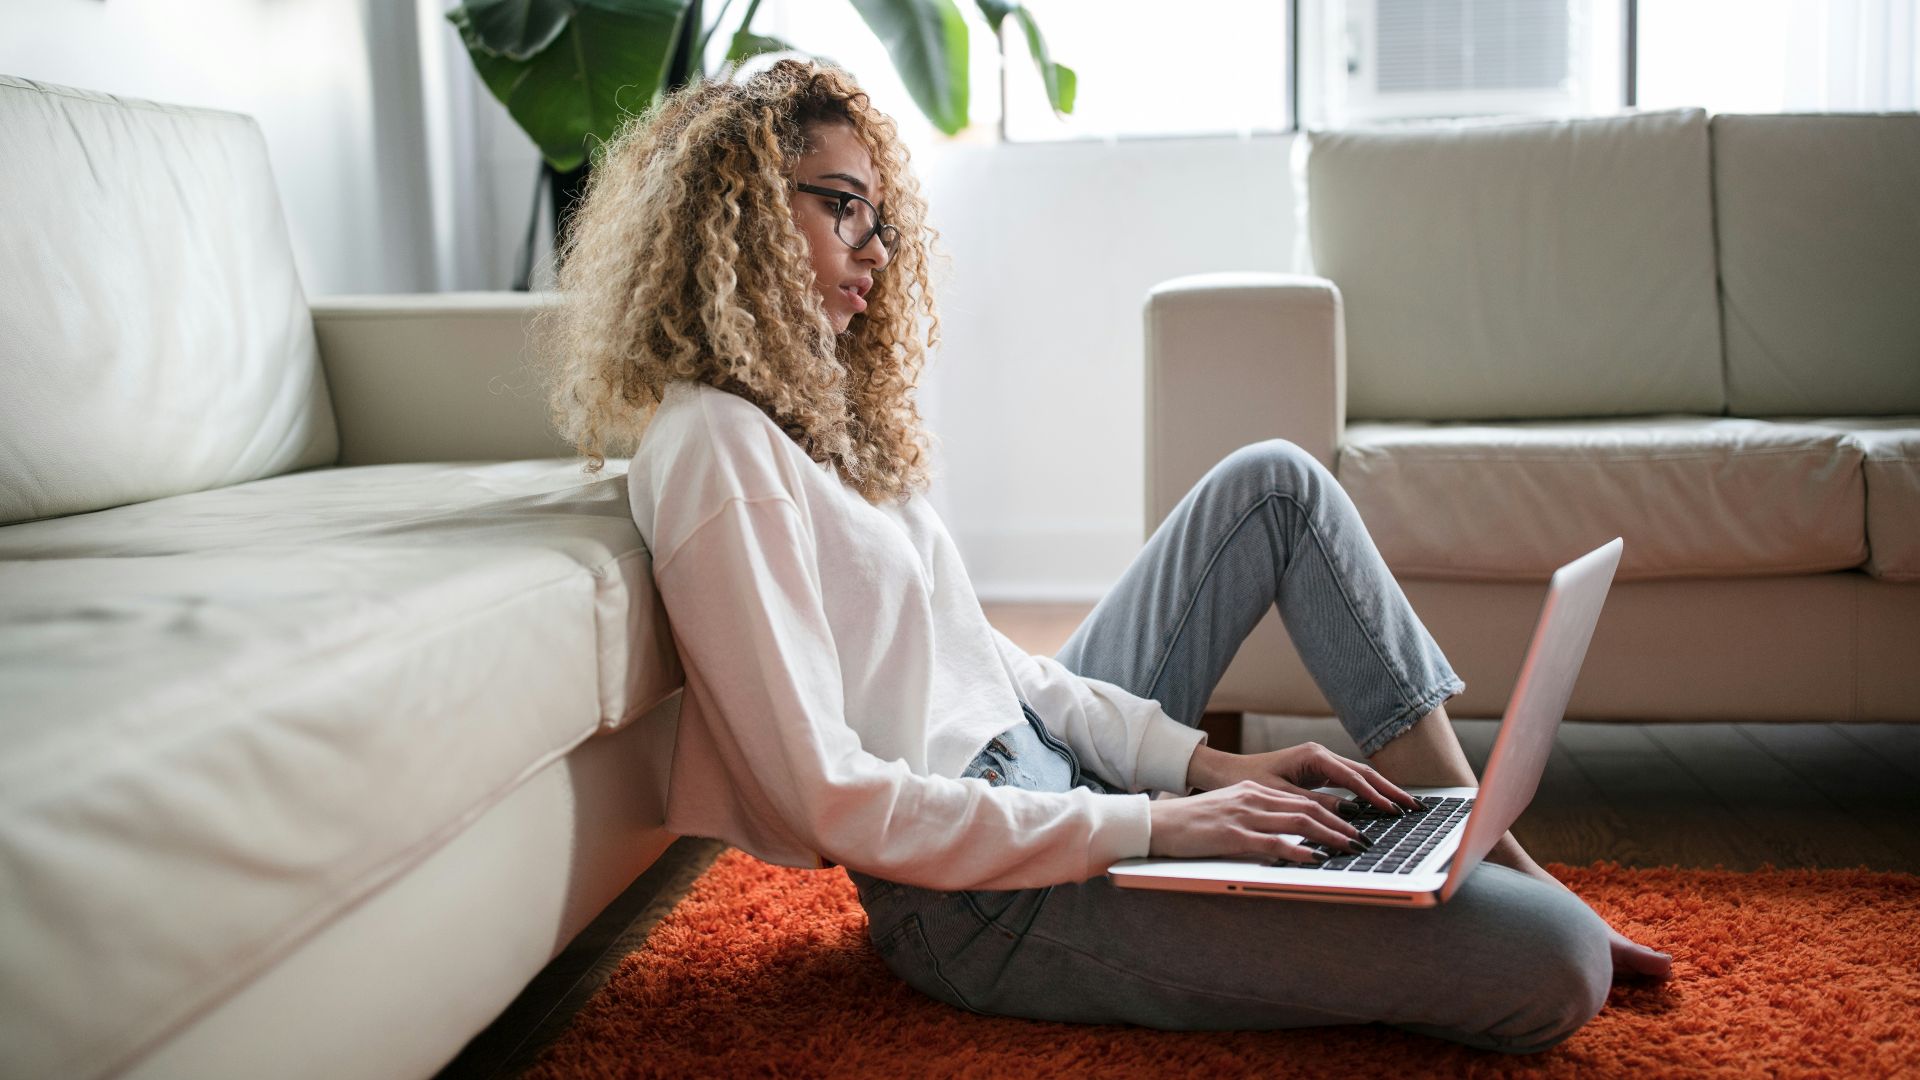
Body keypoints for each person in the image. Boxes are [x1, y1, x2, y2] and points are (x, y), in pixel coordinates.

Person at [532, 58, 1671, 1055]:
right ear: (735, 214)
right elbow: (829, 798)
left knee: (1273, 481)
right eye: (842, 207)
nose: (874, 248)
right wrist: (1153, 825)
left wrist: (1197, 770)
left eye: (880, 215)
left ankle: (1469, 838)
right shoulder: (713, 449)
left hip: (1046, 777)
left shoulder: (817, 418)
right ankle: (1474, 891)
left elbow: (991, 664)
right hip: (976, 899)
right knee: (1558, 965)